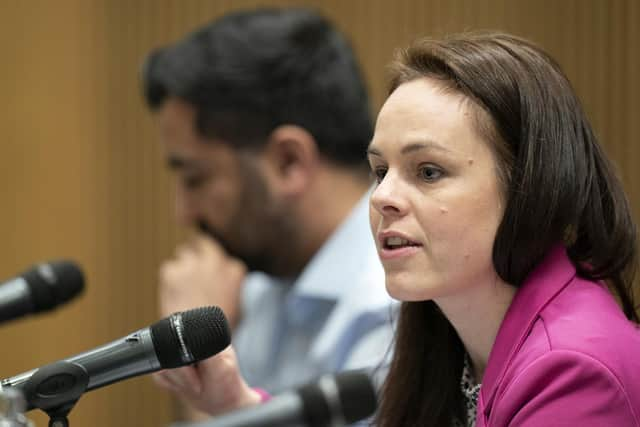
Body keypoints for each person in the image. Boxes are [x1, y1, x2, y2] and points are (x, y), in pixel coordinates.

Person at [368, 33, 640, 426]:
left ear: (528, 187)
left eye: (428, 172)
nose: (382, 197)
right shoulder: (446, 335)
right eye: (380, 171)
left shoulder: (574, 371)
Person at [141, 7, 395, 421]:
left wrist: (196, 361)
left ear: (288, 162)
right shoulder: (261, 285)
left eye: (196, 178)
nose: (183, 213)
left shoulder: (391, 307)